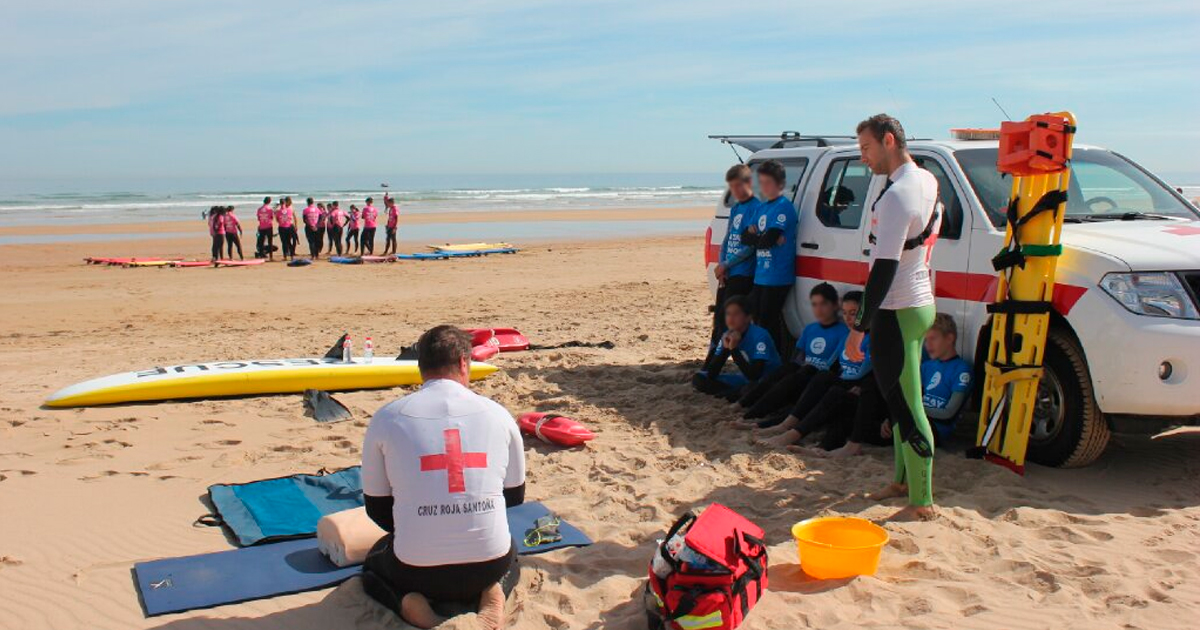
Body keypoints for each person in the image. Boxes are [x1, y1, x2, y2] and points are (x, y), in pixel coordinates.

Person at [361, 326, 525, 630]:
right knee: (512, 552)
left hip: (416, 571)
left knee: (372, 567)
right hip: (488, 564)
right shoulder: (498, 414)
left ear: (420, 367)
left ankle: (407, 603)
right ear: (464, 364)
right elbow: (514, 497)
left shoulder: (387, 417)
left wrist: (421, 526)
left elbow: (376, 507)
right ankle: (495, 590)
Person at [844, 114, 942, 521]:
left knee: (907, 406)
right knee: (899, 398)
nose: (863, 157)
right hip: (918, 303)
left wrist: (858, 330)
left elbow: (882, 270)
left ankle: (922, 502)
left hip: (897, 309)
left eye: (866, 148)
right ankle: (902, 481)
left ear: (888, 140)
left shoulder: (898, 194)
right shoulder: (927, 180)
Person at [757, 291, 874, 449]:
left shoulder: (872, 339)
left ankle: (793, 433)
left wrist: (861, 385)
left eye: (853, 314)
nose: (848, 318)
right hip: (844, 381)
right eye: (845, 313)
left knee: (832, 391)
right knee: (818, 377)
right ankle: (786, 423)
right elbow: (832, 363)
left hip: (858, 388)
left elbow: (871, 372)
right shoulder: (848, 335)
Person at [729, 283, 847, 424]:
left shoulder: (843, 332)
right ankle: (743, 404)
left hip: (816, 382)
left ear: (835, 305)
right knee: (788, 369)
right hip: (800, 377)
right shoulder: (810, 329)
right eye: (814, 305)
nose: (818, 309)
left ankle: (750, 415)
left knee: (802, 373)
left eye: (823, 304)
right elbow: (796, 357)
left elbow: (837, 364)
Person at [706, 164, 761, 366]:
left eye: (739, 186)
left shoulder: (756, 208)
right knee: (719, 318)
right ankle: (711, 359)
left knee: (731, 321)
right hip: (727, 271)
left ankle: (718, 362)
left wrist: (728, 264)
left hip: (742, 273)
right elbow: (728, 238)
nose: (736, 191)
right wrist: (721, 265)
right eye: (732, 187)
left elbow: (749, 248)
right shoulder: (736, 207)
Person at [742, 160, 797, 351]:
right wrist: (761, 237)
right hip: (761, 275)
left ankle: (773, 361)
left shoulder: (784, 207)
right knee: (757, 319)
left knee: (768, 321)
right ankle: (764, 358)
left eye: (768, 182)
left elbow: (768, 239)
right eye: (761, 182)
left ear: (780, 184)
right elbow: (744, 237)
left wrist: (758, 236)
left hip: (778, 275)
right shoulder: (761, 208)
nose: (764, 187)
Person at [692, 295, 782, 401]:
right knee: (699, 378)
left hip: (765, 379)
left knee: (752, 388)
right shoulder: (727, 335)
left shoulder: (760, 336)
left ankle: (733, 394)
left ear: (748, 317)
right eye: (728, 314)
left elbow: (755, 375)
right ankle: (733, 393)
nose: (731, 318)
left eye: (736, 314)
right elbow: (712, 373)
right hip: (744, 379)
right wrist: (726, 349)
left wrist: (734, 350)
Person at [920, 313, 972, 444]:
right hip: (918, 420)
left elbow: (948, 413)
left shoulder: (961, 369)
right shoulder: (927, 366)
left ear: (949, 338)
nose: (928, 345)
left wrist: (914, 410)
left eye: (933, 339)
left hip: (936, 429)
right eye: (926, 340)